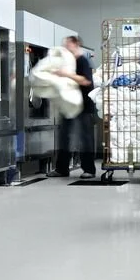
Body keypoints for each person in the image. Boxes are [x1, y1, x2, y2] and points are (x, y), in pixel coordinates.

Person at [50, 35, 97, 179]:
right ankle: (61, 169)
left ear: (76, 44)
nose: (65, 48)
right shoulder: (68, 63)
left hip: (83, 105)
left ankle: (89, 169)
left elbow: (86, 81)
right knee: (64, 136)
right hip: (69, 104)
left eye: (68, 45)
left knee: (85, 138)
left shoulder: (83, 60)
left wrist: (67, 74)